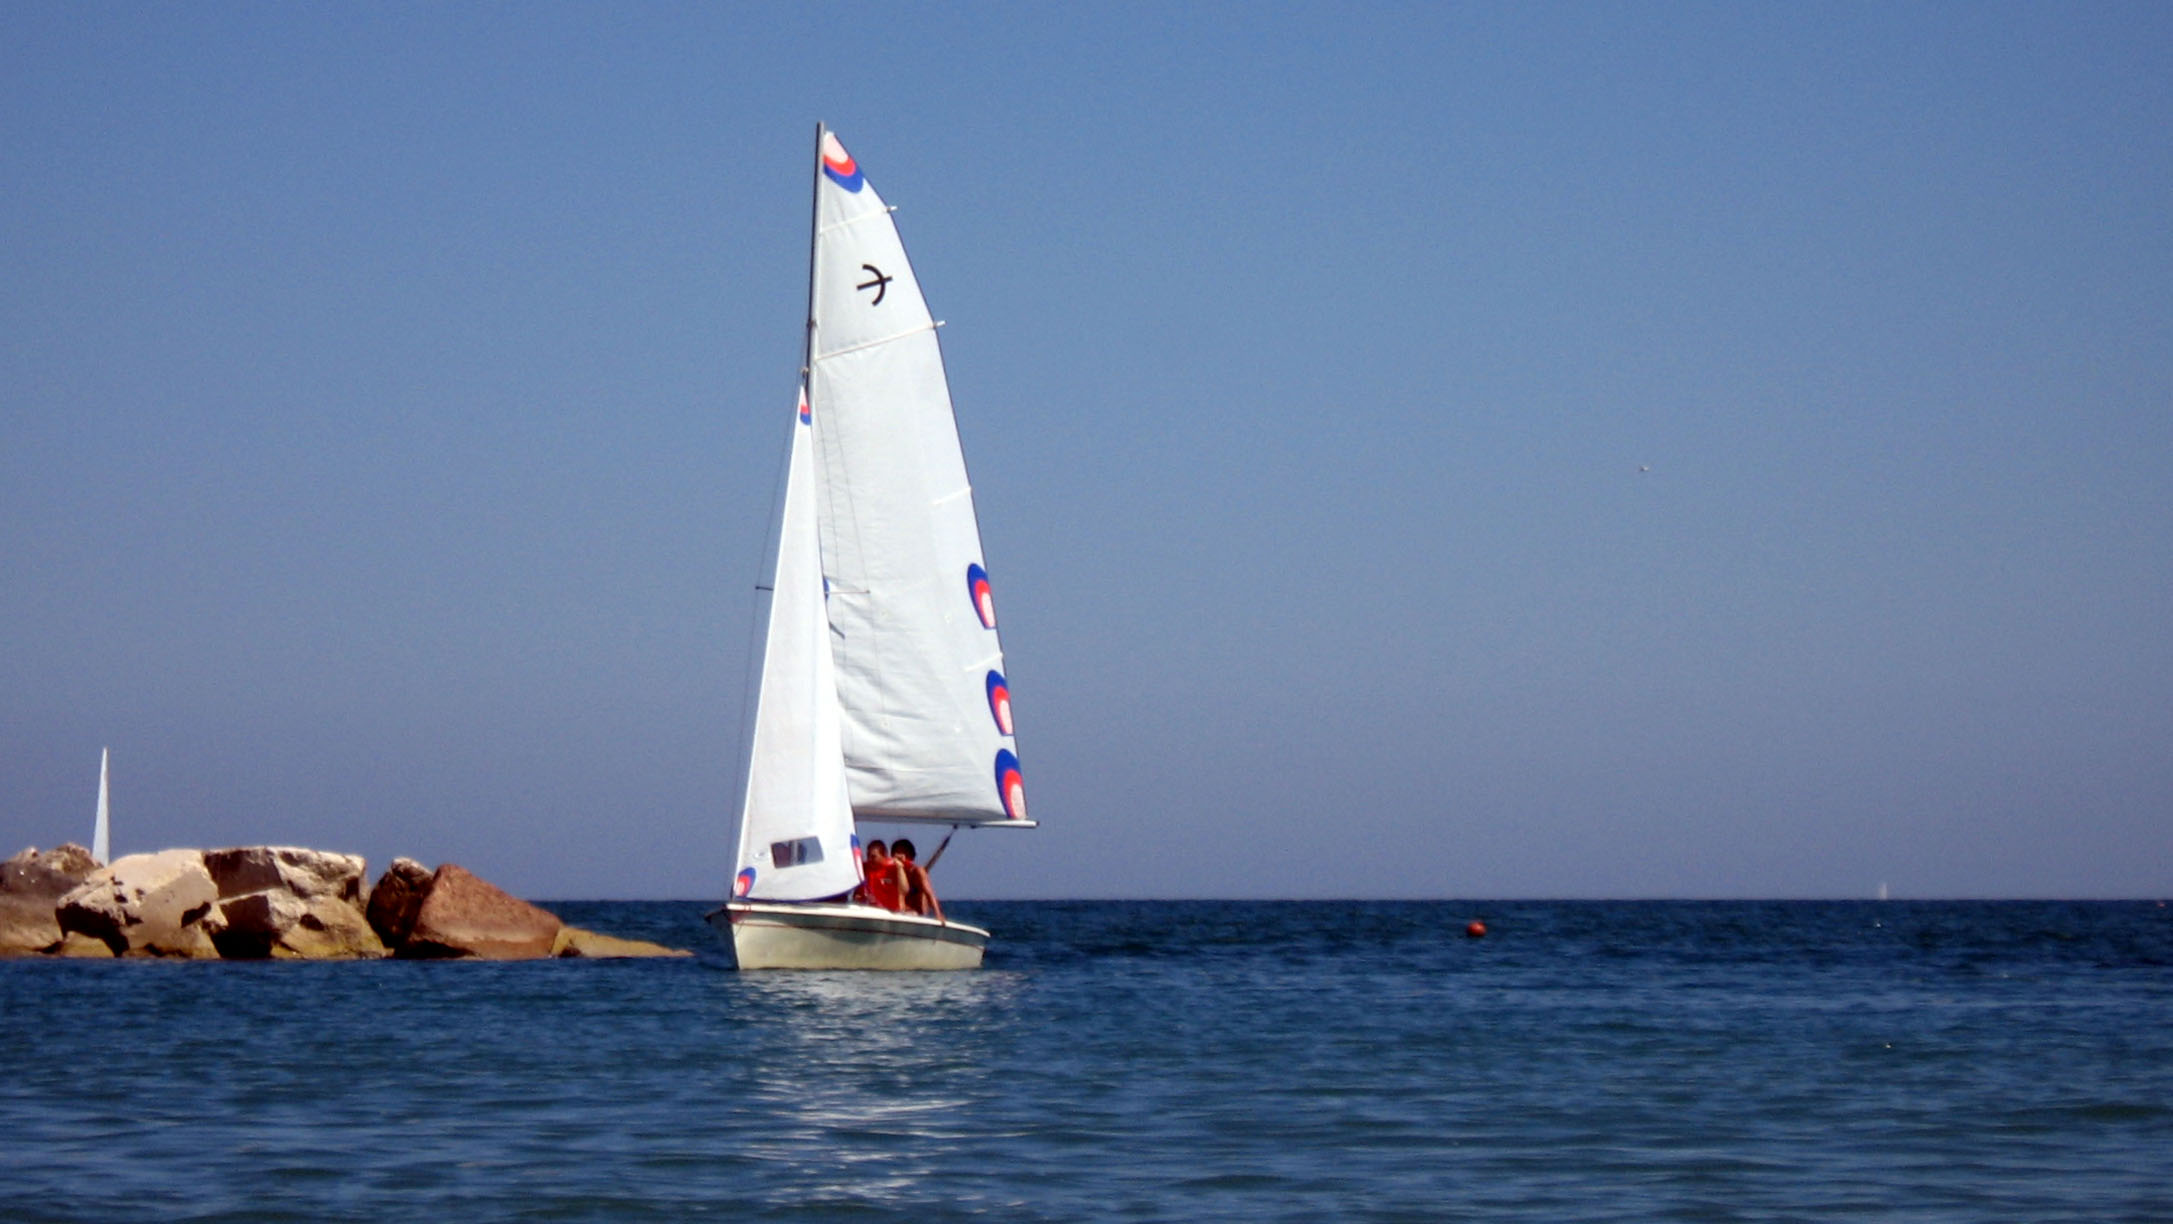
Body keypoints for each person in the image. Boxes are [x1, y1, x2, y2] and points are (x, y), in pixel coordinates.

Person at [891, 838, 942, 922]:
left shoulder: (918, 872)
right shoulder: (892, 872)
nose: (900, 857)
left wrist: (938, 914)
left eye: (904, 854)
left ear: (911, 856)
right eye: (897, 853)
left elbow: (930, 894)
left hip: (918, 916)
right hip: (899, 915)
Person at [858, 839, 906, 912]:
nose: (869, 859)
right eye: (868, 856)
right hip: (870, 911)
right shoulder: (864, 868)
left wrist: (900, 867)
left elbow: (904, 890)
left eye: (873, 856)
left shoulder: (893, 868)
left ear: (884, 856)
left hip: (891, 913)